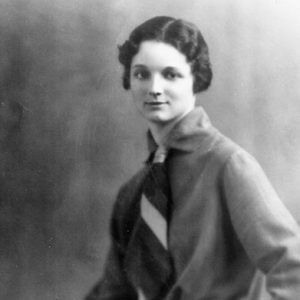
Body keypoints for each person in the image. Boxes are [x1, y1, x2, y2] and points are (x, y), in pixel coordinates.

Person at [85, 16, 300, 300]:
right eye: (141, 74)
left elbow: (294, 270)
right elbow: (113, 292)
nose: (154, 88)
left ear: (195, 79)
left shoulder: (228, 165)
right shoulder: (132, 194)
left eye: (170, 74)